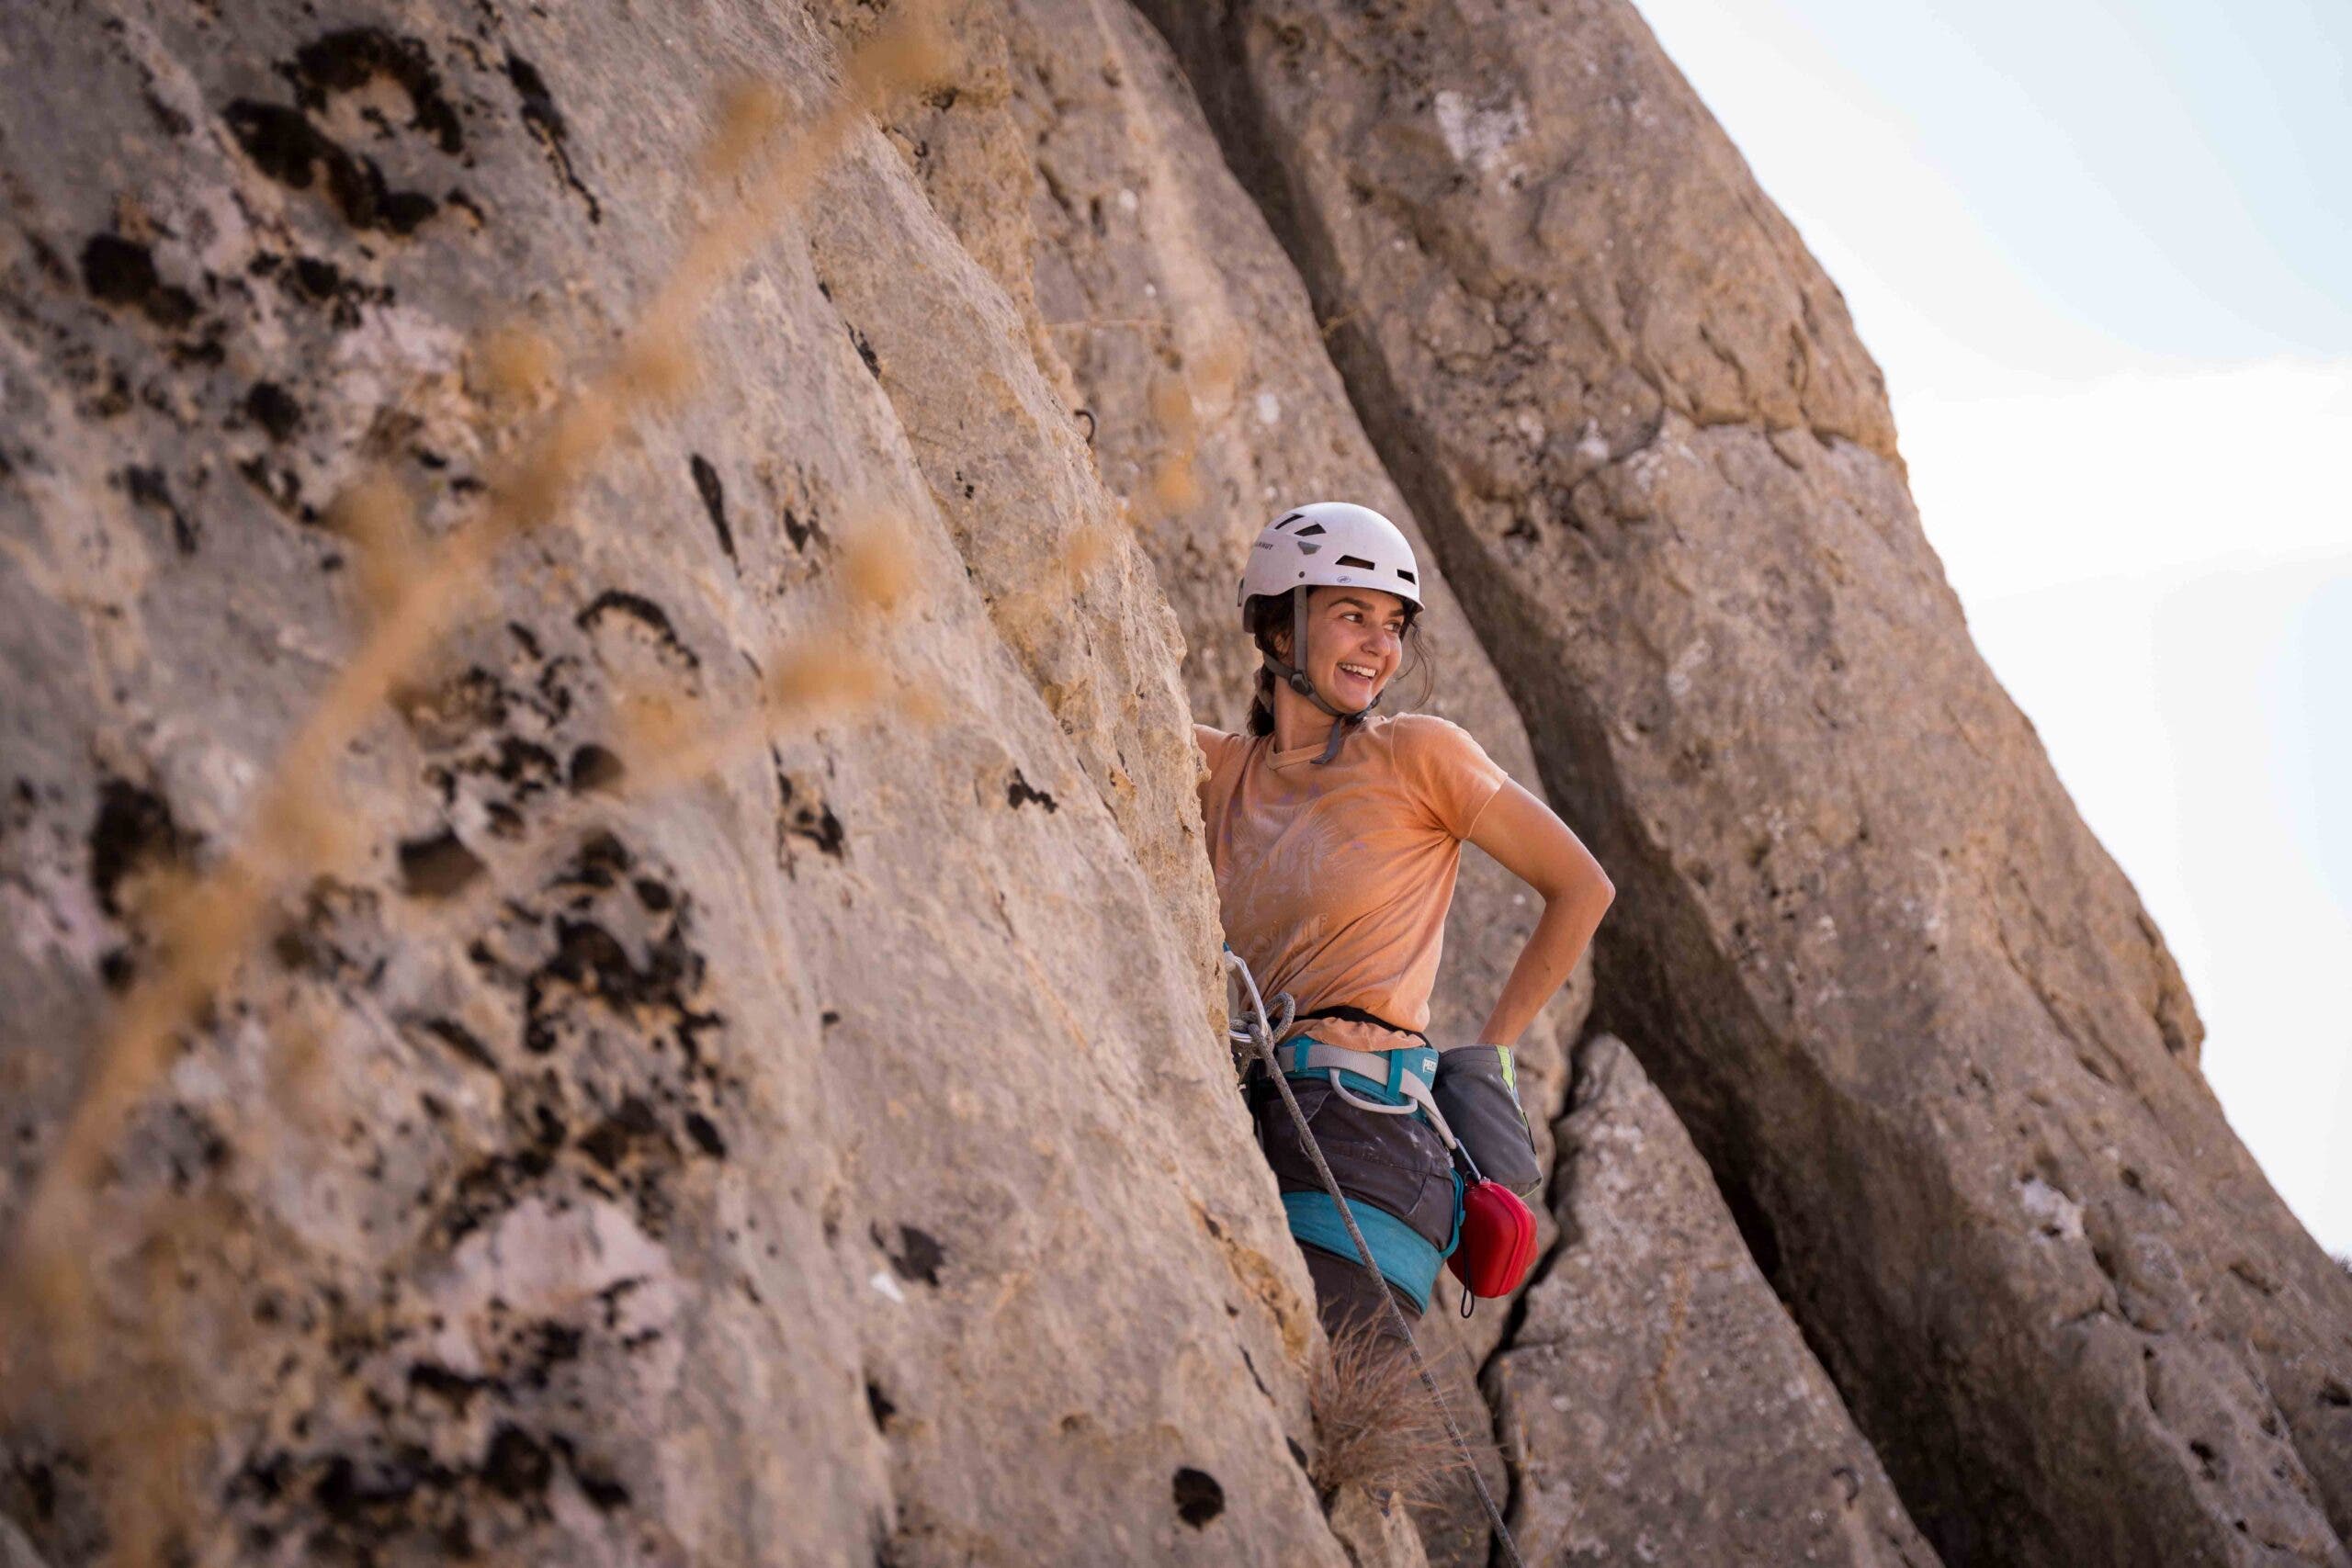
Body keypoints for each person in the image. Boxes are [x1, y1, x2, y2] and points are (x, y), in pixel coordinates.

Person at [1194, 502, 1615, 1346]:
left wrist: (1492, 1054)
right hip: (1244, 1108)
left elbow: (1582, 886)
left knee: (1321, 1400)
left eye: (1394, 626)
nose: (1381, 647)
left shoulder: (1420, 754)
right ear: (1280, 630)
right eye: (1353, 615)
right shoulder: (1216, 772)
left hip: (1365, 1134)